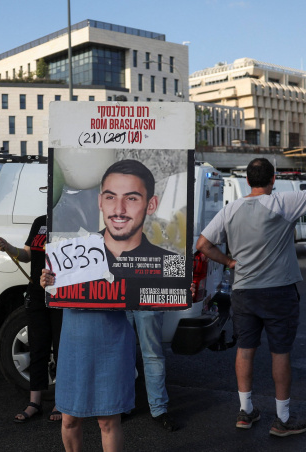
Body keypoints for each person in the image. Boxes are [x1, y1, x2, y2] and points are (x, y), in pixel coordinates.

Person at [196, 129, 306, 437]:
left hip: (243, 292)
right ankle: (282, 419)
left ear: (248, 180)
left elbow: (203, 245)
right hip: (278, 292)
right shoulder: (282, 203)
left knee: (245, 350)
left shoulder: (230, 209)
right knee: (280, 353)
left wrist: (229, 262)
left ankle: (245, 411)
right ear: (273, 180)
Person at [97, 159, 177, 431]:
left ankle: (158, 409)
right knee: (117, 353)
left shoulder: (168, 260)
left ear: (151, 204)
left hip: (146, 301)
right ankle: (121, 405)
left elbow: (179, 288)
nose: (119, 209)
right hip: (114, 305)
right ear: (100, 201)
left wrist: (184, 290)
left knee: (151, 353)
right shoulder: (84, 254)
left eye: (131, 198)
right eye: (111, 197)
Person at [42, 267, 134, 452]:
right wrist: (48, 281)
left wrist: (178, 287)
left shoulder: (125, 250)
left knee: (108, 420)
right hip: (74, 340)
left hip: (111, 338)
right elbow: (55, 284)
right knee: (69, 419)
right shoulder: (66, 248)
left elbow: (149, 279)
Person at [0, 214, 63, 423]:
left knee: (62, 349)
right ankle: (34, 403)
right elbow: (27, 255)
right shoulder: (40, 222)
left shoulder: (71, 220)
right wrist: (8, 247)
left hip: (61, 295)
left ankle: (61, 402)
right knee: (37, 347)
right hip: (37, 294)